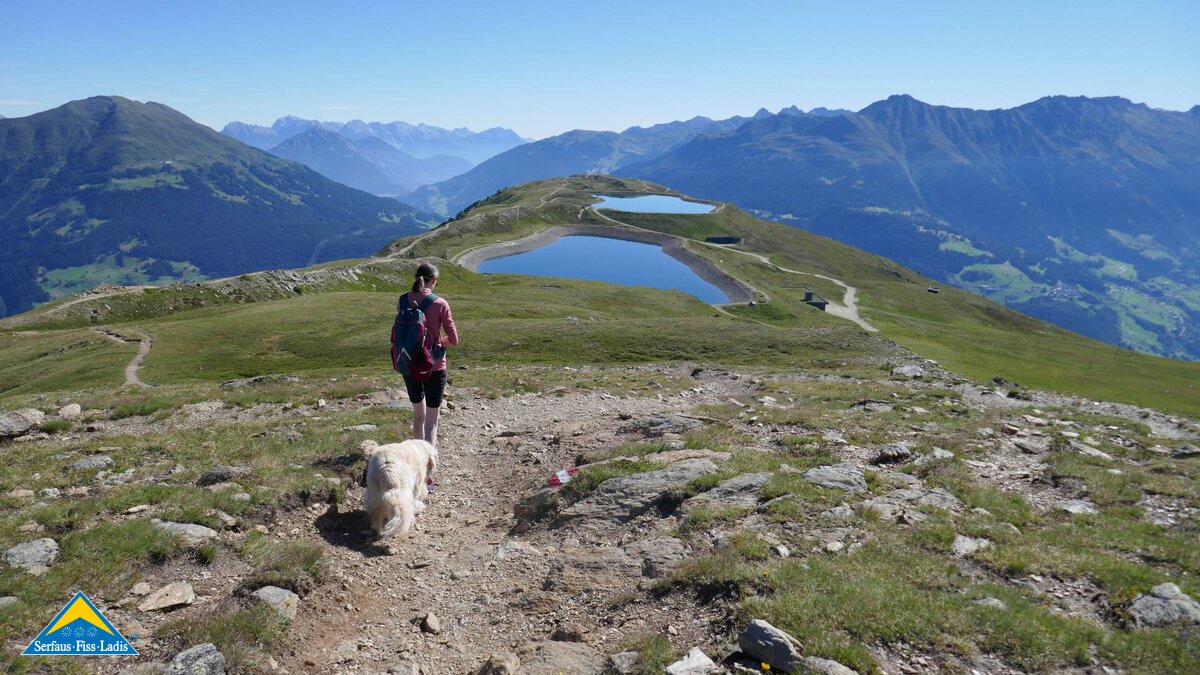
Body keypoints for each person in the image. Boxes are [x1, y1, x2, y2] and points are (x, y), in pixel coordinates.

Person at [400, 262, 458, 449]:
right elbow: (454, 339)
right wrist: (439, 341)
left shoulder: (402, 300)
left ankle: (417, 461)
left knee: (418, 417)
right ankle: (429, 471)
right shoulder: (440, 303)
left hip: (409, 363)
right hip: (434, 364)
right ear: (433, 281)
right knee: (432, 422)